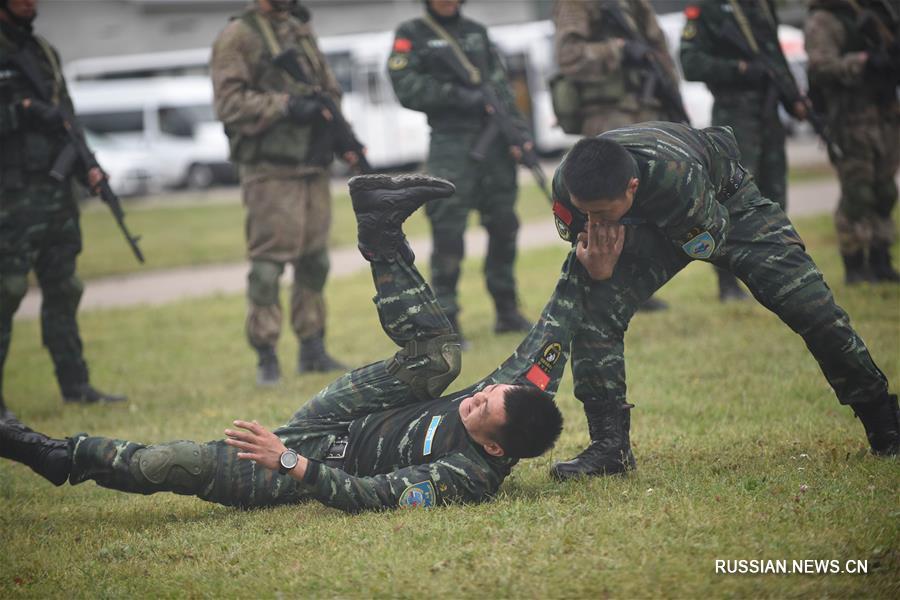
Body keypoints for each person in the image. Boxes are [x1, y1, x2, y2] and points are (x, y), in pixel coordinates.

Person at [0, 174, 574, 513]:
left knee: (173, 464)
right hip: (359, 409)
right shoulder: (514, 400)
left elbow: (365, 497)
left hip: (321, 457)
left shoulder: (466, 479)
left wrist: (289, 459)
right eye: (486, 393)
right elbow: (550, 337)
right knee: (441, 356)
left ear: (496, 449)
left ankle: (54, 454)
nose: (472, 398)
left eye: (478, 409)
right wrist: (586, 269)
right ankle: (379, 227)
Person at [548, 122, 899, 480]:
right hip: (651, 219)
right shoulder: (569, 184)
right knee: (594, 307)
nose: (593, 221)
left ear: (631, 187)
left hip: (724, 207)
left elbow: (706, 239)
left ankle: (884, 422)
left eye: (602, 214)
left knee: (809, 305)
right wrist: (599, 267)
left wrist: (621, 248)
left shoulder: (677, 175)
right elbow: (587, 237)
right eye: (586, 212)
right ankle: (610, 448)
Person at [210, 0, 351, 385]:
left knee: (315, 260)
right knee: (269, 266)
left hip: (312, 163)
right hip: (270, 167)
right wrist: (285, 105)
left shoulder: (299, 29)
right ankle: (266, 354)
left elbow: (327, 88)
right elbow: (228, 103)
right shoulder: (238, 36)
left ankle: (312, 347)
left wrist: (338, 130)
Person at [0, 0, 125, 419]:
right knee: (8, 289)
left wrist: (89, 165)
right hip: (10, 195)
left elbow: (67, 118)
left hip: (55, 194)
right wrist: (22, 112)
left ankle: (76, 384)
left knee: (65, 287)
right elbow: (34, 113)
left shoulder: (43, 51)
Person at [387, 0, 533, 345]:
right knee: (448, 227)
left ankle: (506, 308)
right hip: (451, 143)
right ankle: (447, 318)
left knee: (504, 224)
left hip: (494, 141)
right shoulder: (412, 34)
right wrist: (455, 95)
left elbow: (500, 87)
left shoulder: (476, 33)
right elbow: (405, 86)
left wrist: (518, 133)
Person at [552, 0, 684, 311]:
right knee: (607, 208)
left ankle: (638, 286)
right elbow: (568, 57)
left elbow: (658, 49)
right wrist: (619, 50)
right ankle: (607, 286)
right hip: (609, 119)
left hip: (648, 111)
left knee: (644, 203)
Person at [679, 0, 810, 300]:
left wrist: (793, 97)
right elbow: (691, 63)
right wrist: (741, 69)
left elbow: (772, 55)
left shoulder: (762, 5)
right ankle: (727, 282)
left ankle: (774, 276)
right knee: (730, 202)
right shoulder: (707, 9)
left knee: (773, 199)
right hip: (734, 117)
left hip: (768, 113)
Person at [804, 0, 900, 284]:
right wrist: (864, 62)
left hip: (884, 114)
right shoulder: (825, 17)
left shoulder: (880, 11)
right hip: (850, 119)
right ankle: (855, 264)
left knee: (884, 190)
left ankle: (881, 259)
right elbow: (820, 67)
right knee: (858, 194)